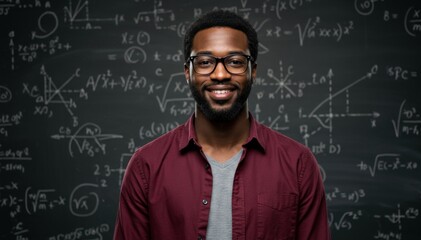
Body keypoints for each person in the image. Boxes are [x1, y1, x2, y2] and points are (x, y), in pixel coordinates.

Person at [113, 10, 330, 240]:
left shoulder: (298, 165)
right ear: (187, 72)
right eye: (205, 62)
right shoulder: (146, 167)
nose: (219, 74)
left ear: (252, 71)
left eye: (235, 62)